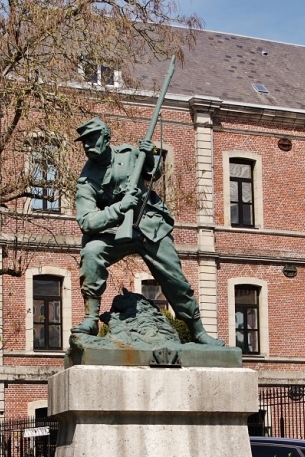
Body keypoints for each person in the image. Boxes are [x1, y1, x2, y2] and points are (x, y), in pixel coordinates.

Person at [72, 117, 224, 345]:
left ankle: (198, 331)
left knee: (175, 279)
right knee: (92, 253)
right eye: (84, 141)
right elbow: (86, 221)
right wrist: (119, 208)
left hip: (150, 224)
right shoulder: (86, 179)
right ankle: (91, 319)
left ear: (106, 137)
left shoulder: (129, 154)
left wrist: (150, 155)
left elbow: (155, 172)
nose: (88, 145)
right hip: (115, 230)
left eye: (92, 139)